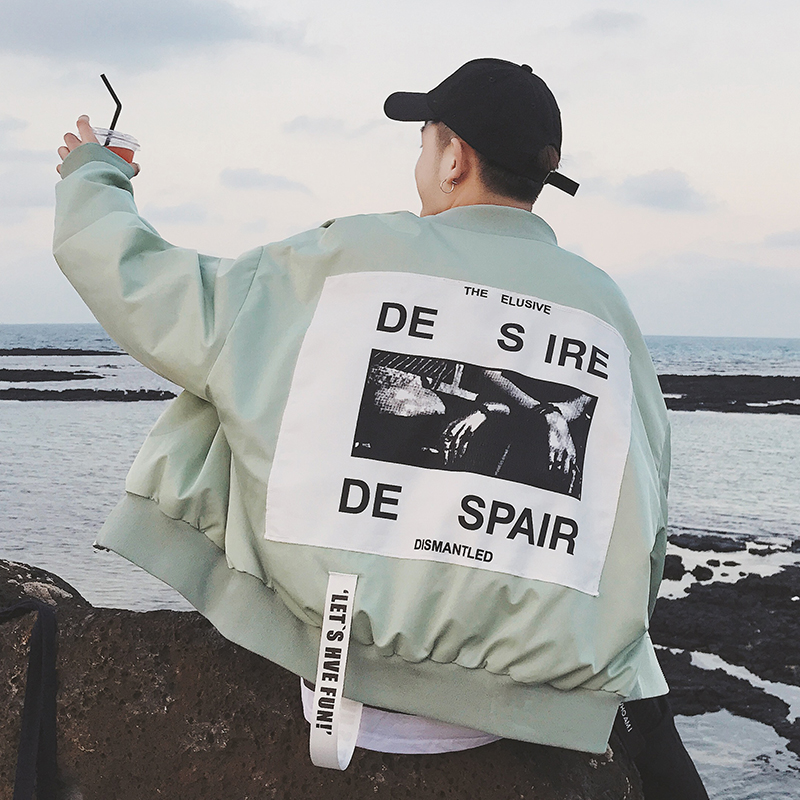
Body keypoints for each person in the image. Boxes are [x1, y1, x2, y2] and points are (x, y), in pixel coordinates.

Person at [54, 58, 708, 795]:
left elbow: (150, 290)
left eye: (425, 139)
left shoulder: (352, 256)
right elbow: (644, 512)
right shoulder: (606, 308)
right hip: (532, 701)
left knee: (237, 364)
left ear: (454, 159)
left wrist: (93, 175)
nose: (422, 158)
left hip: (340, 670)